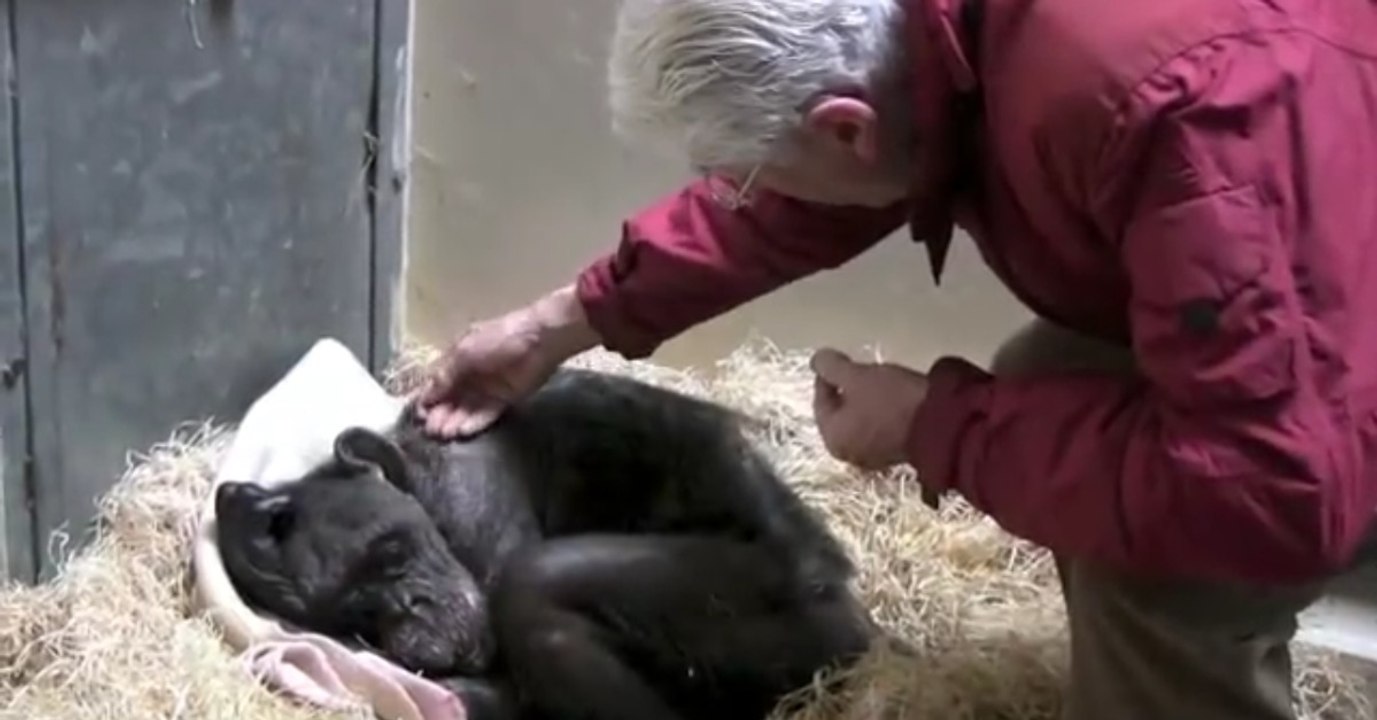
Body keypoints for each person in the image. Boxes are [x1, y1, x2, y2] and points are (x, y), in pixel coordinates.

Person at [416, 0, 1377, 718]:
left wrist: (933, 424)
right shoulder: (933, 42)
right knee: (1051, 374)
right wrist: (564, 320)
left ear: (843, 127)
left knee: (1166, 566)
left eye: (754, 169)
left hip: (1315, 384)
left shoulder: (1174, 104)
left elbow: (1264, 494)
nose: (751, 192)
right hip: (1320, 268)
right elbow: (800, 199)